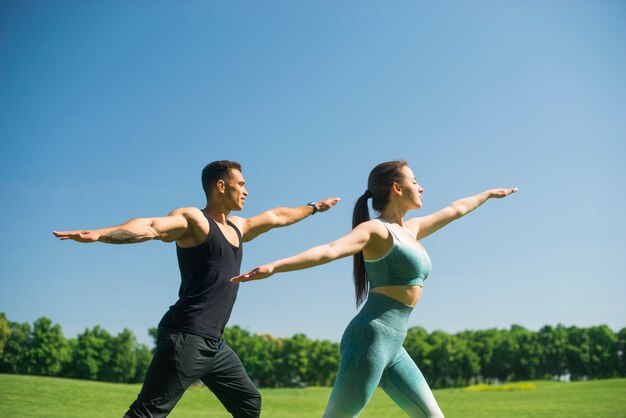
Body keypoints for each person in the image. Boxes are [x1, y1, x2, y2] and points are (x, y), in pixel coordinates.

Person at [53, 160, 340, 418]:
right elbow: (151, 226)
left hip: (214, 344)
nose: (246, 191)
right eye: (240, 184)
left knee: (249, 403)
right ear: (220, 186)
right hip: (186, 336)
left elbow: (277, 217)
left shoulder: (238, 227)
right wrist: (102, 234)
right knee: (148, 411)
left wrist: (314, 208)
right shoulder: (195, 221)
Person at [231, 160, 517, 417]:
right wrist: (275, 266)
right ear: (397, 188)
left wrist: (488, 194)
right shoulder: (377, 231)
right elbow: (330, 250)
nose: (421, 187)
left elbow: (455, 210)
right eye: (415, 181)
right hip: (369, 340)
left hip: (393, 345)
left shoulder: (411, 230)